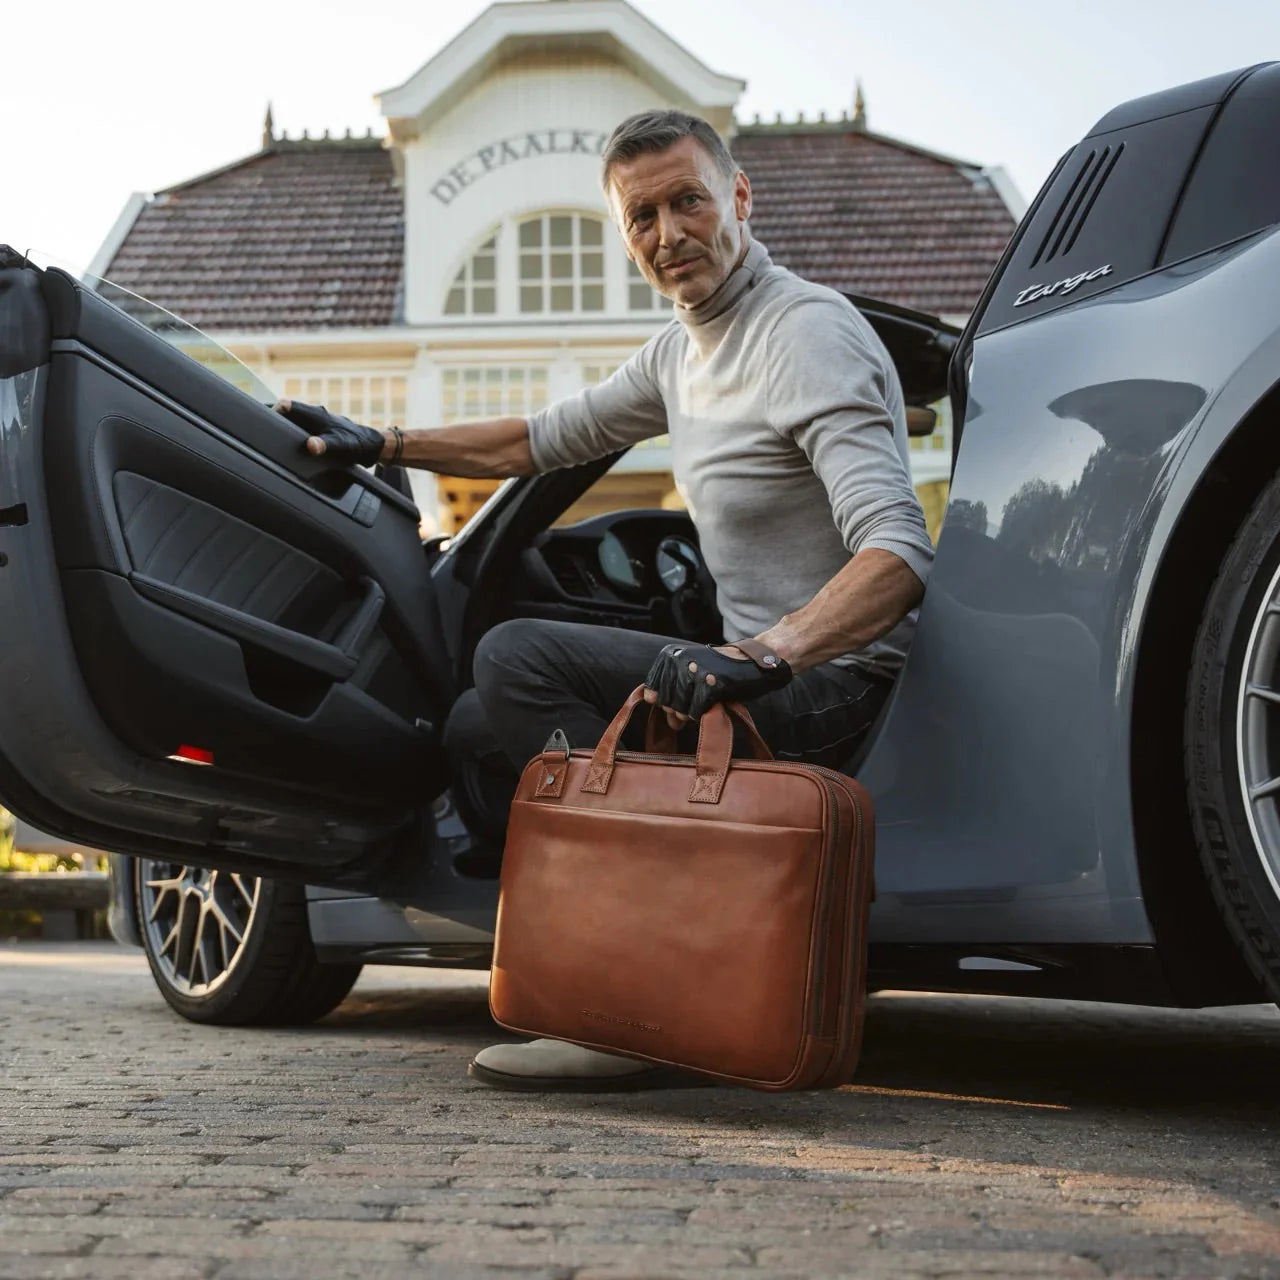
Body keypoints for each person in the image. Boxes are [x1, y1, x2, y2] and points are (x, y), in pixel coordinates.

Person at [276, 109, 934, 1092]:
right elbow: (538, 441)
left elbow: (896, 555)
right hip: (770, 666)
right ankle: (597, 932)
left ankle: (640, 998)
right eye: (641, 217)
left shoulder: (801, 333)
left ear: (738, 199)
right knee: (467, 722)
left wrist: (763, 653)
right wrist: (383, 445)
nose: (668, 234)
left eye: (687, 202)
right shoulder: (679, 355)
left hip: (837, 679)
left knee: (512, 658)